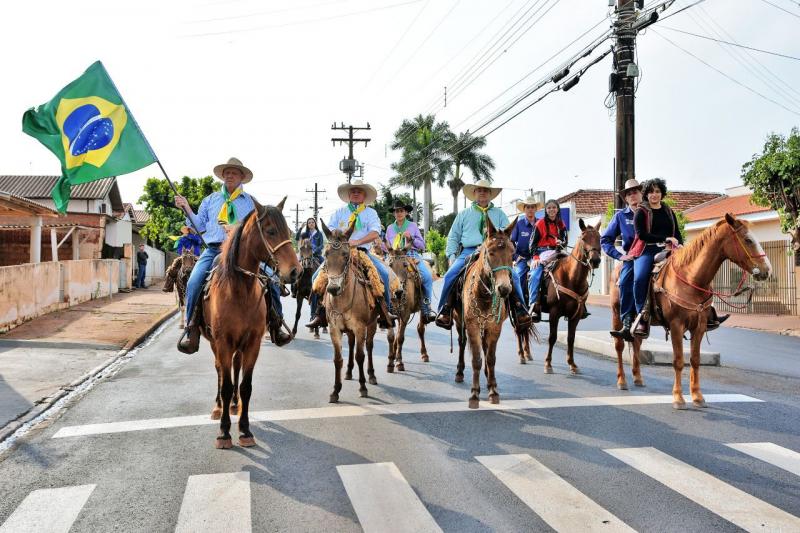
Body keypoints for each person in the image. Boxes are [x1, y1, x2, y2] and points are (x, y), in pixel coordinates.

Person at [174, 157, 290, 353]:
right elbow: (199, 225)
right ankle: (191, 327)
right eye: (226, 172)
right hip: (213, 250)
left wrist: (235, 230)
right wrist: (186, 207)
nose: (229, 175)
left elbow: (257, 230)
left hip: (242, 252)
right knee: (194, 280)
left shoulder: (252, 203)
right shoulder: (210, 200)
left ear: (242, 177)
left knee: (272, 279)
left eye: (234, 173)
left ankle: (276, 323)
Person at [630, 178, 729, 338]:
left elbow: (677, 233)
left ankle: (709, 312)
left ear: (662, 193)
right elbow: (642, 235)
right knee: (640, 278)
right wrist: (665, 239)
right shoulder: (641, 212)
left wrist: (681, 245)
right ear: (646, 194)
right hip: (647, 250)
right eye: (651, 192)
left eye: (657, 191)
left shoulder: (668, 211)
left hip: (671, 250)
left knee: (695, 271)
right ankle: (643, 315)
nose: (654, 195)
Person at [435, 179, 531, 332]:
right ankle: (445, 310)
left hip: (493, 253)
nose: (482, 193)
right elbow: (454, 236)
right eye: (479, 190)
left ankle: (520, 309)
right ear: (474, 193)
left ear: (490, 195)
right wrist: (451, 256)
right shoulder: (464, 214)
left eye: (485, 191)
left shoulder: (499, 214)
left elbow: (506, 235)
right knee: (450, 275)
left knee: (515, 276)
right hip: (469, 251)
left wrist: (493, 244)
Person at [305, 179, 397, 329]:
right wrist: (341, 239)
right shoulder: (339, 212)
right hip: (339, 253)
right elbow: (330, 229)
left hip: (362, 252)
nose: (355, 193)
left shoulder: (370, 212)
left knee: (384, 275)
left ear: (364, 195)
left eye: (359, 191)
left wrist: (358, 241)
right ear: (348, 194)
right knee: (316, 277)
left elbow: (375, 232)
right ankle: (318, 314)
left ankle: (386, 311)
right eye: (353, 191)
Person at [602, 179, 643, 340]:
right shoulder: (620, 216)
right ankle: (627, 321)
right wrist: (620, 255)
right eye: (629, 194)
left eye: (635, 192)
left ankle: (707, 314)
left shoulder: (650, 211)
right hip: (633, 257)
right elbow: (605, 240)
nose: (633, 196)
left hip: (656, 252)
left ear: (641, 194)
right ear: (626, 198)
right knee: (625, 280)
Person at [384, 201, 437, 324]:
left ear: (406, 212)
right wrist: (380, 244)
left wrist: (410, 239)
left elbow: (422, 245)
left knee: (427, 277)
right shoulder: (390, 228)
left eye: (401, 211)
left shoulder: (412, 226)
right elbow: (386, 246)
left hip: (411, 255)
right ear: (394, 214)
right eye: (397, 211)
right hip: (393, 257)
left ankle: (426, 308)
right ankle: (385, 309)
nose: (399, 213)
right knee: (381, 277)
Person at [527, 199, 569, 322]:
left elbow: (565, 240)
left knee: (574, 267)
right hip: (541, 253)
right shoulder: (539, 224)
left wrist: (562, 242)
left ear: (557, 209)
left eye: (554, 207)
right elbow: (532, 244)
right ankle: (533, 305)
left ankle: (579, 304)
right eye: (549, 208)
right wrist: (535, 258)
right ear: (546, 210)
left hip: (557, 251)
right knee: (534, 275)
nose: (551, 210)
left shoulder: (561, 224)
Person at [509, 196, 542, 308]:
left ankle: (536, 303)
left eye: (532, 207)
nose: (530, 209)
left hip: (536, 257)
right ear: (524, 209)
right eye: (528, 207)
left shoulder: (541, 223)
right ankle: (518, 304)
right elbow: (511, 243)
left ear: (536, 209)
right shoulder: (519, 224)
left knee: (540, 276)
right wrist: (516, 257)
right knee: (517, 277)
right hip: (521, 258)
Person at [163, 226, 202, 293]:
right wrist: (184, 253)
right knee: (172, 269)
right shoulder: (182, 239)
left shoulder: (197, 237)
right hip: (184, 256)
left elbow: (199, 242)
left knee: (204, 269)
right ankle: (168, 286)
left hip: (196, 256)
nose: (192, 230)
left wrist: (189, 236)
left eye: (193, 229)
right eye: (190, 229)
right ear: (188, 230)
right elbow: (179, 249)